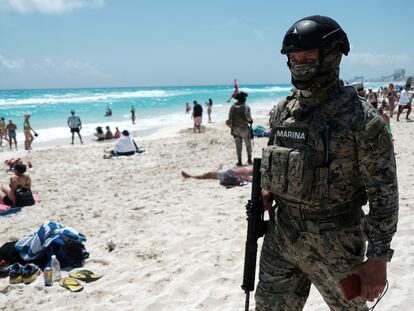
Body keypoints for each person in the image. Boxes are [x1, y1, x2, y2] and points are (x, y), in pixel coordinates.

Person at [256, 16, 398, 310]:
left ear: (332, 56)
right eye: (294, 58)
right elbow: (279, 161)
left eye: (307, 57)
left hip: (337, 243)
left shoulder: (361, 119)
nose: (299, 64)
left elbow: (384, 196)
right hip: (282, 236)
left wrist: (378, 258)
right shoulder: (283, 111)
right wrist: (268, 190)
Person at [226, 91, 253, 166]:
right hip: (244, 128)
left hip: (235, 128)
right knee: (248, 145)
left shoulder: (232, 107)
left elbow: (229, 119)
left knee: (238, 146)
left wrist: (231, 129)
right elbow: (248, 118)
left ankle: (239, 161)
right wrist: (251, 121)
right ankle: (249, 160)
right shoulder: (246, 106)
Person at [181, 165, 253, 182]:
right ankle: (191, 176)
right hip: (227, 171)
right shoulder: (248, 169)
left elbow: (246, 179)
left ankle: (191, 176)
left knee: (208, 175)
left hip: (225, 174)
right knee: (209, 174)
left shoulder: (247, 174)